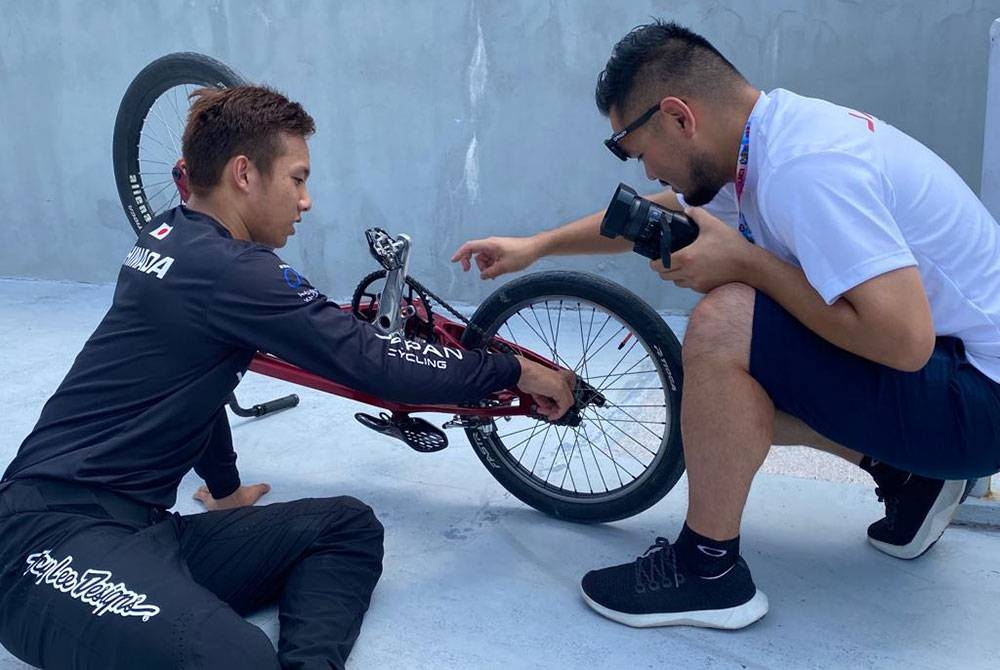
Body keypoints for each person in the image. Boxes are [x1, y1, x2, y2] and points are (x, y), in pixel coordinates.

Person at [0, 85, 575, 669]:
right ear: (244, 174)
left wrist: (225, 493)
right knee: (236, 660)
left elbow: (193, 385)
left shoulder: (170, 236)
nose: (306, 201)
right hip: (43, 544)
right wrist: (514, 370)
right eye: (297, 179)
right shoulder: (231, 270)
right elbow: (375, 362)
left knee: (346, 527)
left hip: (142, 533)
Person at [452, 19, 1000, 630]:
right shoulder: (765, 139)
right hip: (963, 377)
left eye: (637, 152)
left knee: (726, 320)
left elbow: (903, 342)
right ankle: (903, 471)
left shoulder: (806, 169)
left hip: (978, 405)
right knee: (725, 391)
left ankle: (707, 570)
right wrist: (537, 245)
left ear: (679, 117)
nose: (648, 173)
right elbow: (664, 213)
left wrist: (747, 264)